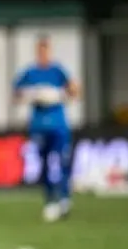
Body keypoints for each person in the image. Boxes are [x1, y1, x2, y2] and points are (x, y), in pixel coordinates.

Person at [13, 35, 79, 222]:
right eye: (40, 51)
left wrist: (60, 95)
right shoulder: (30, 73)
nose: (43, 54)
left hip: (59, 126)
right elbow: (16, 94)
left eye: (46, 51)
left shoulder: (58, 71)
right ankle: (50, 201)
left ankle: (64, 199)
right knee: (44, 164)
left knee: (61, 162)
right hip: (39, 127)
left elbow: (74, 90)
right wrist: (32, 95)